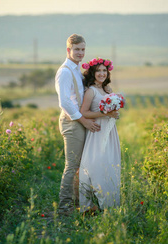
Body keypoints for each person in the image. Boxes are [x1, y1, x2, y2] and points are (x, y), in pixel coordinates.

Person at [55, 34, 101, 215]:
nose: (81, 53)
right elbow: (65, 102)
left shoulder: (75, 69)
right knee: (72, 165)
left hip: (79, 120)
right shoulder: (65, 71)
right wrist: (84, 120)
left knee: (81, 164)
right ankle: (64, 207)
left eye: (83, 49)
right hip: (71, 121)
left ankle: (78, 203)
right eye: (77, 49)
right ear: (68, 50)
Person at [78, 58, 121, 214]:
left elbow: (112, 111)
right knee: (95, 165)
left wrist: (114, 114)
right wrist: (105, 113)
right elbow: (84, 112)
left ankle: (111, 207)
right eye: (98, 71)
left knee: (110, 164)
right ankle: (89, 205)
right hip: (97, 132)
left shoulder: (108, 90)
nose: (102, 73)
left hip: (110, 133)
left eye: (104, 70)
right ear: (93, 73)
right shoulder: (91, 91)